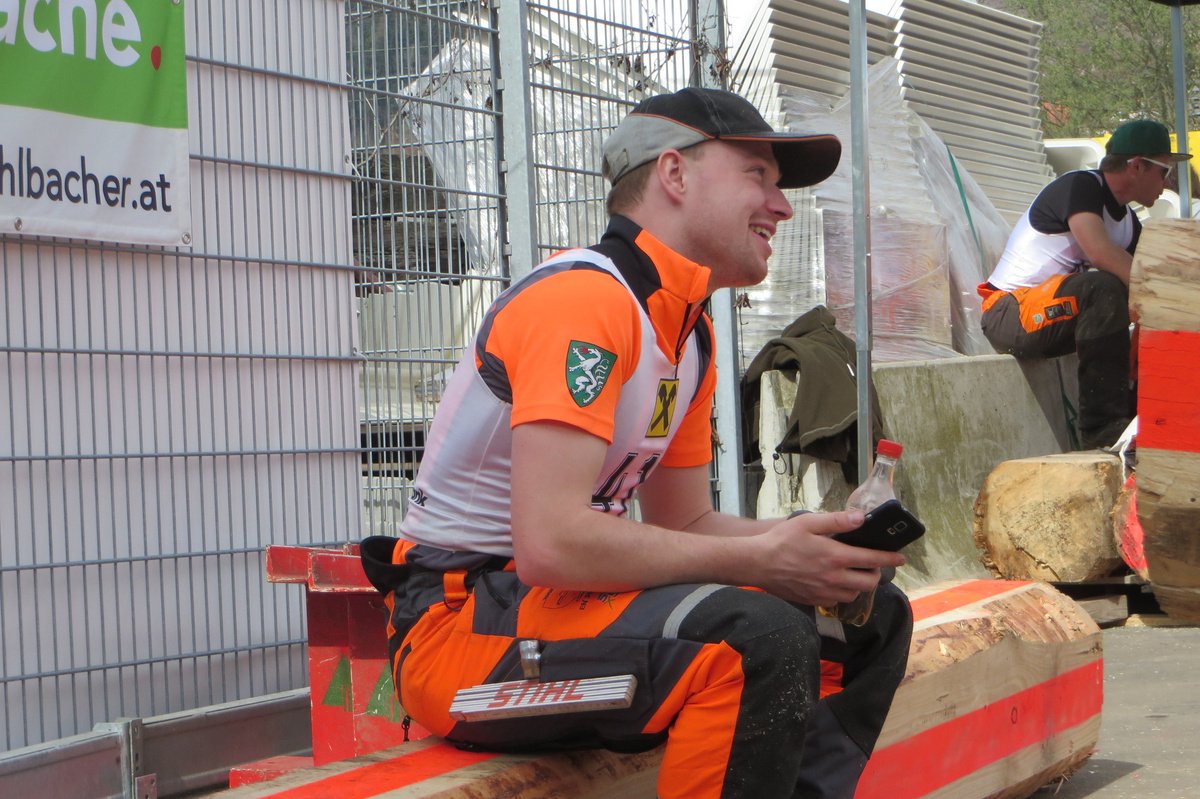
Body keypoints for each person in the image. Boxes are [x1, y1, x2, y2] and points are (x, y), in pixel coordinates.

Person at [360, 87, 913, 799]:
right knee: (754, 638)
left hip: (558, 605)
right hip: (457, 631)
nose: (782, 206)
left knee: (868, 615)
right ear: (674, 173)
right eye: (758, 175)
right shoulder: (584, 301)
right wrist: (761, 558)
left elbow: (686, 523)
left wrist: (810, 542)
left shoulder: (688, 333)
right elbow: (551, 544)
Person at [978, 118, 1192, 449]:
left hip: (1052, 315)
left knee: (1145, 309)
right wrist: (1163, 295)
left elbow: (1145, 278)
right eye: (1165, 171)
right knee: (1104, 288)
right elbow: (1100, 252)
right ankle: (1102, 429)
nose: (1167, 184)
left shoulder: (1128, 222)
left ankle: (1143, 417)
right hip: (1008, 312)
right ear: (1136, 165)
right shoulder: (1080, 187)